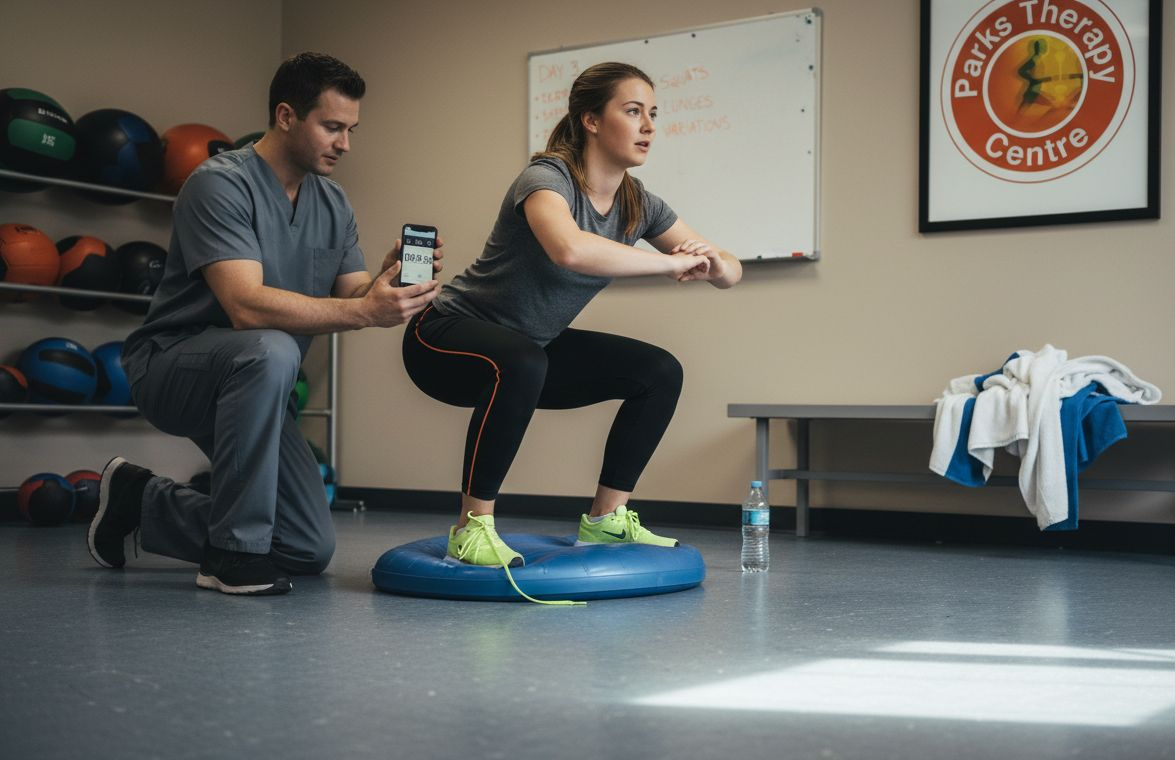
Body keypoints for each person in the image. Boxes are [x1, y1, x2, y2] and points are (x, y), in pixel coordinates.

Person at [88, 52, 442, 596]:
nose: (345, 143)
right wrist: (363, 312)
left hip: (258, 381)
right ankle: (229, 557)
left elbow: (352, 290)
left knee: (305, 547)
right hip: (174, 366)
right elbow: (245, 307)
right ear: (285, 116)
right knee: (272, 347)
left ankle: (142, 500)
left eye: (351, 129)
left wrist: (387, 285)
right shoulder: (219, 185)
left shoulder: (332, 199)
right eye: (332, 127)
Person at [402, 61, 742, 571]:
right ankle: (471, 528)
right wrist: (668, 263)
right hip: (442, 338)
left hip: (529, 349)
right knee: (521, 360)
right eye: (632, 111)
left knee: (658, 371)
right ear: (591, 120)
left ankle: (607, 518)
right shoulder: (546, 179)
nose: (648, 126)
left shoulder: (638, 203)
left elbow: (731, 271)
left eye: (653, 113)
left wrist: (713, 263)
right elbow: (569, 249)